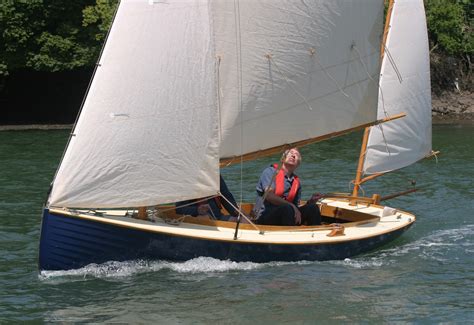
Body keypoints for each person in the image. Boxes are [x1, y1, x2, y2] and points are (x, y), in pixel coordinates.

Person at [253, 148, 322, 226]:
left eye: (296, 155)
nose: (293, 155)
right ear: (283, 158)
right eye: (290, 153)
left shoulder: (296, 182)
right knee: (287, 208)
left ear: (298, 163)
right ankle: (291, 234)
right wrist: (291, 206)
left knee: (313, 208)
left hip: (288, 214)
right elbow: (269, 196)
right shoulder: (270, 172)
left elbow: (296, 206)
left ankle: (315, 234)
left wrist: (311, 202)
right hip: (265, 216)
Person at [175, 175, 240, 221]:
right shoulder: (186, 180)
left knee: (242, 221)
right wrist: (197, 210)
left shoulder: (215, 175)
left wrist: (237, 213)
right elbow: (179, 209)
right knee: (204, 218)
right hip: (197, 222)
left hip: (218, 218)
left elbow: (226, 197)